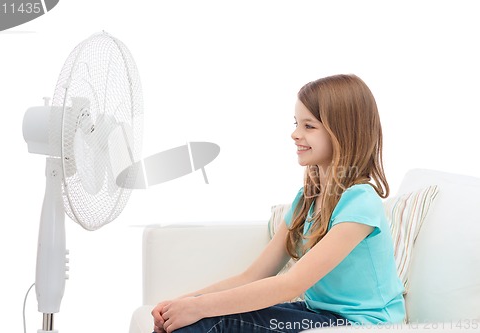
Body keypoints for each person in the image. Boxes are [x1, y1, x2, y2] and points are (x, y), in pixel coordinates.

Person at [151, 74, 406, 333]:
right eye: (297, 123)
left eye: (309, 126)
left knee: (211, 320)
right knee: (194, 320)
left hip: (360, 324)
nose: (295, 134)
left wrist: (200, 308)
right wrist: (183, 303)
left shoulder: (360, 200)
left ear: (343, 131)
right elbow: (251, 276)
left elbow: (292, 284)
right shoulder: (308, 198)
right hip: (318, 313)